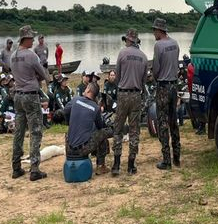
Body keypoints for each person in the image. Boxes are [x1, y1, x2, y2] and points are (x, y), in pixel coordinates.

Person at [10, 25, 49, 181]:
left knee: (19, 132)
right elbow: (43, 73)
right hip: (30, 96)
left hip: (18, 95)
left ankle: (16, 167)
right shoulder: (31, 56)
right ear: (25, 39)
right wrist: (40, 79)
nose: (33, 40)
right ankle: (34, 168)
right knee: (35, 131)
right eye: (31, 38)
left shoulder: (13, 56)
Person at [112, 29, 148, 175]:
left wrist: (122, 86)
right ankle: (131, 165)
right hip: (136, 95)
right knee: (134, 130)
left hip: (123, 94)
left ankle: (116, 165)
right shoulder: (144, 57)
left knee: (118, 129)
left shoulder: (122, 53)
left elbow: (117, 75)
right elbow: (144, 80)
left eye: (126, 39)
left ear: (129, 40)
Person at [62, 82, 112, 174]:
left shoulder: (75, 100)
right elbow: (100, 127)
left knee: (69, 132)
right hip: (83, 149)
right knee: (103, 133)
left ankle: (70, 158)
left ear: (88, 90)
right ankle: (101, 166)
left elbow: (65, 112)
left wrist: (70, 123)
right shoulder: (95, 108)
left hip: (69, 148)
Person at [151, 18, 181, 170]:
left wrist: (157, 78)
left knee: (162, 123)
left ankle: (166, 160)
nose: (153, 34)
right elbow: (175, 63)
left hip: (163, 86)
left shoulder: (158, 45)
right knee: (173, 120)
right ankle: (177, 157)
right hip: (174, 85)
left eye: (154, 31)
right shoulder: (175, 43)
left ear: (159, 31)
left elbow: (156, 68)